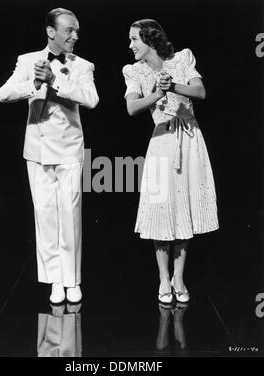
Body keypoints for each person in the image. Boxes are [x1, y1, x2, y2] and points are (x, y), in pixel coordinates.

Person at [0, 8, 99, 304]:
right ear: (51, 32)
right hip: (37, 151)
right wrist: (36, 84)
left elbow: (91, 99)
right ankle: (55, 280)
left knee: (69, 216)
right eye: (70, 30)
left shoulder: (83, 65)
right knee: (45, 217)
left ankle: (72, 281)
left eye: (77, 30)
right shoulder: (29, 61)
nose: (75, 36)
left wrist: (56, 80)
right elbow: (4, 94)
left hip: (68, 150)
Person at [122, 19, 218, 304]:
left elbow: (200, 92)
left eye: (135, 39)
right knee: (162, 210)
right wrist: (158, 93)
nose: (130, 45)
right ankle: (164, 278)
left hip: (189, 141)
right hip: (162, 142)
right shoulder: (134, 71)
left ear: (150, 40)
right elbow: (131, 107)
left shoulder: (182, 59)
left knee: (184, 207)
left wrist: (173, 84)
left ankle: (179, 277)